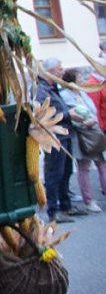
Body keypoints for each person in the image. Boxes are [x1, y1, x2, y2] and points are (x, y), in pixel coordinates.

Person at [36, 58, 79, 223]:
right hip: (54, 137)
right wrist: (69, 115)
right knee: (54, 174)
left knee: (66, 171)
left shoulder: (53, 88)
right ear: (50, 71)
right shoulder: (42, 90)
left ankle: (66, 206)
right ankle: (53, 212)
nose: (62, 71)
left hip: (64, 135)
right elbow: (43, 112)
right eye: (59, 69)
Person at [61, 68, 106, 212]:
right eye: (79, 76)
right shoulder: (65, 96)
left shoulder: (83, 93)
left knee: (102, 164)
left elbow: (92, 109)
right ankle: (89, 201)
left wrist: (93, 120)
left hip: (93, 133)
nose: (82, 79)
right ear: (72, 80)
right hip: (81, 136)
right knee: (84, 168)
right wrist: (81, 123)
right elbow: (68, 115)